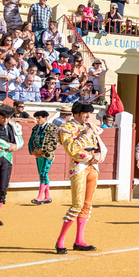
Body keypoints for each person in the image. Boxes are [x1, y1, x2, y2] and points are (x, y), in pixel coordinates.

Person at [55, 101, 106, 254]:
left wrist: (99, 155)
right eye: (85, 113)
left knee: (87, 205)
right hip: (79, 167)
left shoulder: (90, 127)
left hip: (93, 168)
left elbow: (102, 147)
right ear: (76, 114)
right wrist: (87, 138)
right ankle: (60, 241)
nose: (88, 116)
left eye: (89, 113)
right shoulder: (67, 128)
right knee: (77, 204)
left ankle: (79, 240)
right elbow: (71, 150)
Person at [28, 109, 58, 205]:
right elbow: (31, 140)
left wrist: (43, 150)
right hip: (38, 155)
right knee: (43, 174)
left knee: (43, 174)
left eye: (39, 118)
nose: (37, 120)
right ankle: (47, 197)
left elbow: (56, 142)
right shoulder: (35, 128)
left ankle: (39, 197)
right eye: (36, 118)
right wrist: (32, 151)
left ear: (45, 118)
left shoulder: (52, 127)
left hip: (47, 155)